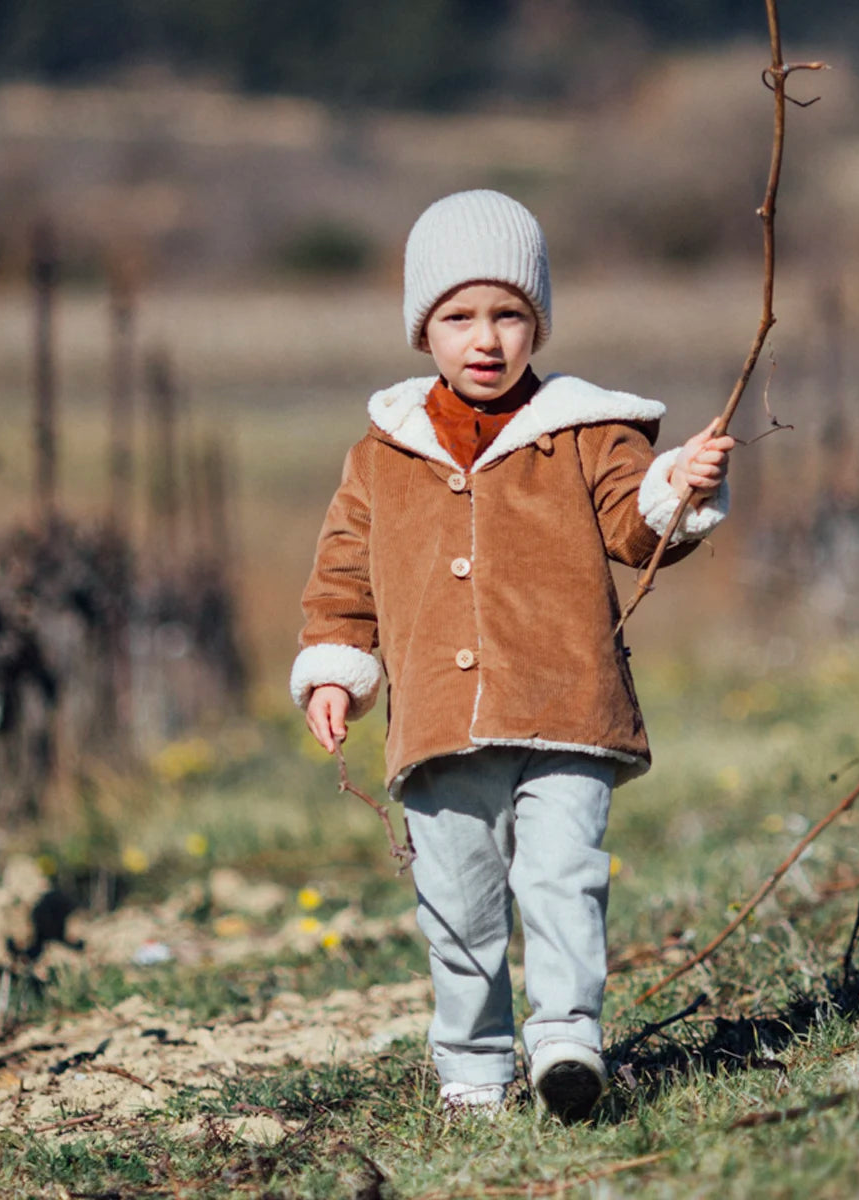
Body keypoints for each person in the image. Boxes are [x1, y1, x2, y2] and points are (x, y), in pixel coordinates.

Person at [290, 190, 734, 1120]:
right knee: (458, 903)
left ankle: (567, 1039)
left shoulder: (587, 430)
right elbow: (343, 572)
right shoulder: (382, 453)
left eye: (509, 315)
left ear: (539, 322)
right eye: (459, 317)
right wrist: (334, 666)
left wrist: (680, 487)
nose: (486, 339)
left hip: (568, 707)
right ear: (423, 329)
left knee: (564, 876)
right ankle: (475, 1066)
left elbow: (637, 526)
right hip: (438, 723)